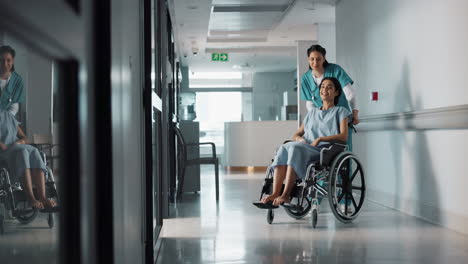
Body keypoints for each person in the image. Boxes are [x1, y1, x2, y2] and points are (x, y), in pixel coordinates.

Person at [260, 77, 351, 206]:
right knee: (284, 147)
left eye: (329, 87)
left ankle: (286, 195)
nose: (325, 89)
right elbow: (297, 134)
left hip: (324, 151)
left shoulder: (341, 111)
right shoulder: (312, 113)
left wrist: (320, 139)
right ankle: (275, 193)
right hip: (306, 147)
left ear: (336, 92)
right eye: (323, 87)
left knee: (294, 148)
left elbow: (343, 137)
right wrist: (300, 139)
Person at [0, 109, 57, 209]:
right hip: (5, 152)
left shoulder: (7, 115)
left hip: (16, 147)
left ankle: (43, 197)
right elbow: (3, 147)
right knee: (23, 152)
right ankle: (31, 198)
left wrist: (19, 142)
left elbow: (24, 138)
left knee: (33, 151)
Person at [300, 44, 359, 125]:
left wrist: (355, 114)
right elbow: (309, 104)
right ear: (308, 59)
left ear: (324, 59)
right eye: (312, 59)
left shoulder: (335, 70)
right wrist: (317, 120)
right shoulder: (305, 78)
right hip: (322, 121)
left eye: (318, 59)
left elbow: (350, 94)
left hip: (341, 118)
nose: (315, 63)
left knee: (341, 137)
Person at [0, 45, 25, 116]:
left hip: (8, 119)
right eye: (1, 60)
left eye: (8, 60)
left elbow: (14, 108)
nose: (5, 64)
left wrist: (3, 119)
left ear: (13, 61)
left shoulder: (17, 81)